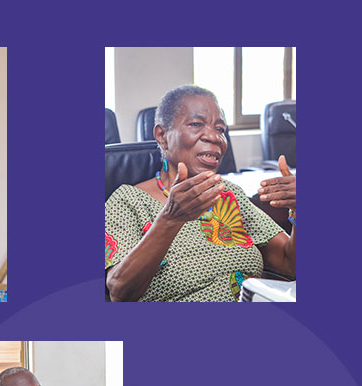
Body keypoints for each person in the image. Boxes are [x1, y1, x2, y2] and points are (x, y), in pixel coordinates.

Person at [105, 85, 296, 301]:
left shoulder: (230, 194)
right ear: (162, 135)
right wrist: (170, 219)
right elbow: (119, 292)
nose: (215, 137)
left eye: (220, 129)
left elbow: (290, 263)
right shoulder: (127, 202)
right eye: (196, 124)